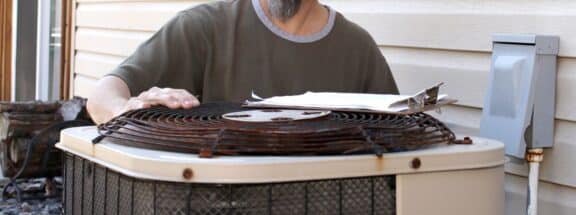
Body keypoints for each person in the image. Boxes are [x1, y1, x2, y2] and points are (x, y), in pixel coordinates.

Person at [87, 0, 398, 124]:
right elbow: (100, 98)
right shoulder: (203, 27)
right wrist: (123, 109)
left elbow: (400, 139)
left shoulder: (358, 48)